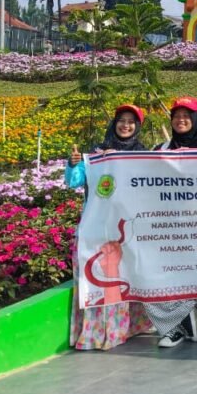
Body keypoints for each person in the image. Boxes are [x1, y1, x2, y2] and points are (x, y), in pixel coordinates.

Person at [66, 104, 152, 350]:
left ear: (137, 127)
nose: (126, 125)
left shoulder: (141, 154)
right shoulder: (96, 153)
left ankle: (124, 328)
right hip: (95, 228)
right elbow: (74, 182)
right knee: (95, 278)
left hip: (125, 229)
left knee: (123, 278)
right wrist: (74, 164)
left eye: (131, 121)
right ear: (114, 123)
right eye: (121, 120)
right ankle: (94, 333)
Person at [143, 97, 197, 349]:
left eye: (186, 116)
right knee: (160, 276)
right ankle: (170, 328)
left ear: (195, 119)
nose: (181, 120)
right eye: (177, 116)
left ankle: (194, 327)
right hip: (164, 225)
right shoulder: (159, 149)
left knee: (194, 276)